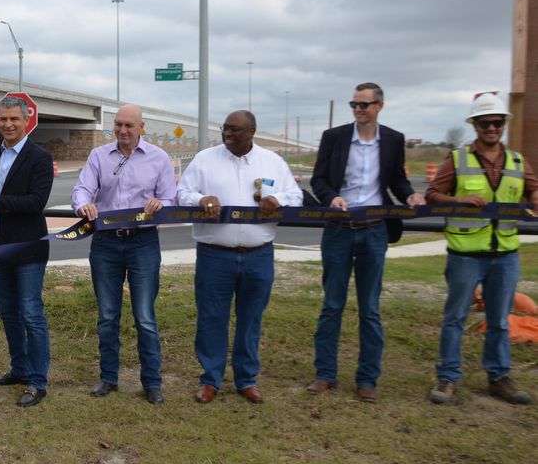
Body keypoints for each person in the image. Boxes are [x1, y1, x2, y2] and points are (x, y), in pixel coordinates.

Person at [307, 83, 425, 403]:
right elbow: (318, 179)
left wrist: (410, 194)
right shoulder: (334, 137)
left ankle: (367, 378)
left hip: (374, 231)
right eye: (354, 105)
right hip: (338, 230)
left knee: (370, 309)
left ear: (379, 106)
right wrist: (331, 197)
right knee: (332, 304)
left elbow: (397, 180)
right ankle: (325, 374)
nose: (357, 110)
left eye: (364, 105)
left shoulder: (393, 140)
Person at [175, 110, 303, 404]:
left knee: (251, 319)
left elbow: (296, 198)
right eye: (225, 129)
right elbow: (182, 193)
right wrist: (200, 200)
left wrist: (277, 201)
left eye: (235, 130)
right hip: (214, 255)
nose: (227, 135)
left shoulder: (272, 162)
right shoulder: (205, 160)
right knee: (211, 318)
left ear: (252, 131)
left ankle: (246, 379)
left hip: (259, 255)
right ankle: (210, 379)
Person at [426, 92, 537, 406]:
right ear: (475, 125)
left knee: (500, 320)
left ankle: (499, 377)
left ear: (503, 125)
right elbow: (433, 195)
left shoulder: (516, 161)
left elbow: (532, 187)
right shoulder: (458, 159)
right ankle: (447, 377)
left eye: (497, 122)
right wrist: (458, 200)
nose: (491, 127)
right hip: (466, 254)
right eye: (485, 122)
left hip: (505, 254)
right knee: (455, 318)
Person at [71, 104, 175, 404]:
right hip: (105, 243)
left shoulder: (159, 158)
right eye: (118, 125)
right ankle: (108, 378)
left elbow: (170, 196)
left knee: (144, 317)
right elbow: (81, 190)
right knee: (107, 315)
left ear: (142, 127)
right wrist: (83, 206)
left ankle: (152, 382)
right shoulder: (99, 156)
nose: (123, 131)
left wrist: (161, 204)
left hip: (143, 243)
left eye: (129, 125)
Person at [0, 95, 55, 408]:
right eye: (3, 119)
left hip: (28, 246)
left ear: (26, 121)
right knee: (8, 311)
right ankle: (19, 369)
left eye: (14, 119)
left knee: (31, 313)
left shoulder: (39, 157)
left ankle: (37, 380)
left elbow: (36, 202)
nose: (8, 124)